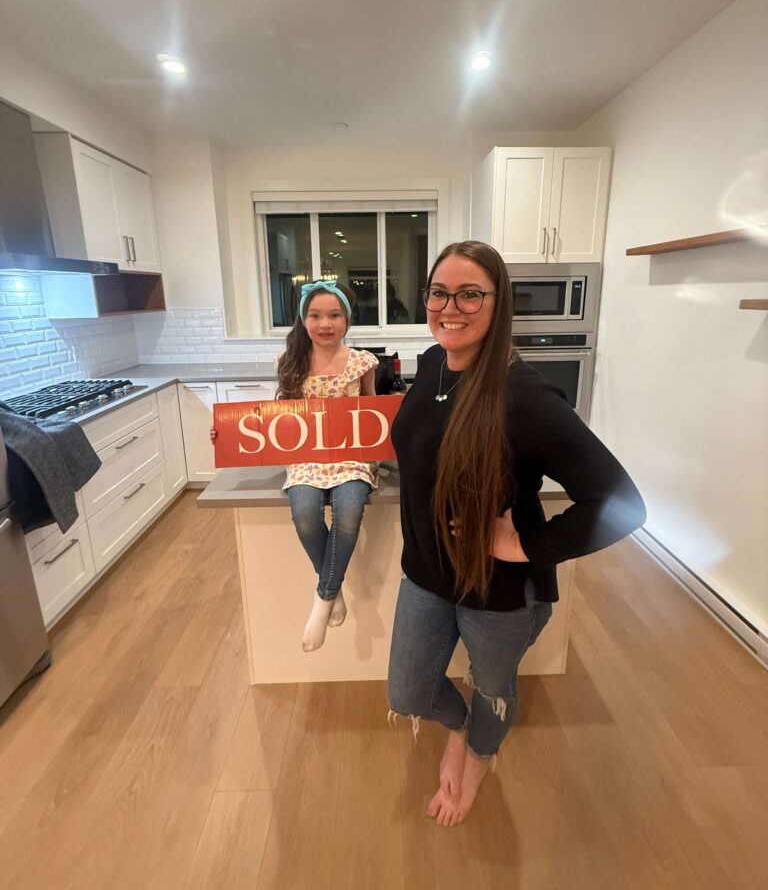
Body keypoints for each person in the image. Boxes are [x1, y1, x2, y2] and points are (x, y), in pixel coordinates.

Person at [387, 240, 646, 827]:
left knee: (492, 687)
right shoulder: (432, 365)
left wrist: (526, 546)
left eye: (470, 293)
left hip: (499, 592)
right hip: (426, 575)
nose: (450, 306)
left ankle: (478, 755)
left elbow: (622, 502)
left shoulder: (524, 396)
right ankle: (459, 730)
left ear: (498, 303)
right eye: (438, 292)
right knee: (407, 693)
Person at [210, 280, 378, 652]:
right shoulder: (289, 363)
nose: (325, 323)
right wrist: (229, 432)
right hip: (306, 459)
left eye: (335, 315)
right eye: (315, 315)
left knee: (349, 511)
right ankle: (332, 590)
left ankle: (321, 601)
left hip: (350, 458)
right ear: (303, 320)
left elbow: (372, 413)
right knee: (304, 511)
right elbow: (279, 420)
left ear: (347, 319)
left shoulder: (362, 362)